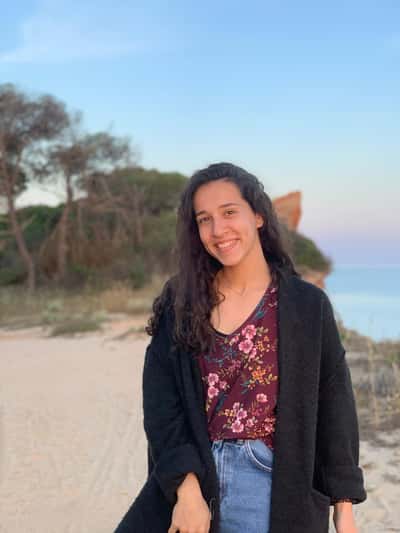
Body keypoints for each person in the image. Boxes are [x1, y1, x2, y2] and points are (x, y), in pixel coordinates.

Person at [114, 162, 366, 533]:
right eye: (204, 219)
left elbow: (335, 403)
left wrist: (343, 506)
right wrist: (186, 490)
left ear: (259, 216)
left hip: (270, 483)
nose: (218, 230)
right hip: (193, 479)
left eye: (229, 212)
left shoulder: (307, 305)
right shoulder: (181, 299)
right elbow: (161, 401)